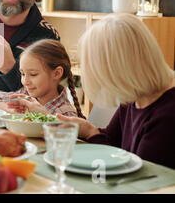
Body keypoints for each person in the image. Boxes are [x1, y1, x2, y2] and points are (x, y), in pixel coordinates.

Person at [56, 13, 175, 169]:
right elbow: (113, 142)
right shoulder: (135, 95)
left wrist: (91, 134)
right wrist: (88, 130)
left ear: (118, 69)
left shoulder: (167, 116)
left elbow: (139, 175)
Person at [0, 39, 85, 118]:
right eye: (23, 74)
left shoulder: (66, 114)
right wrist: (12, 110)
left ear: (56, 73)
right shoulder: (25, 96)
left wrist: (41, 115)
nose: (25, 82)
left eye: (33, 74)